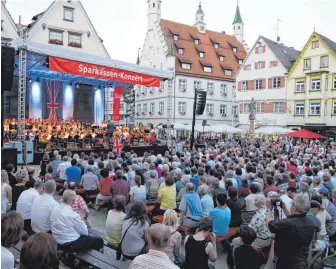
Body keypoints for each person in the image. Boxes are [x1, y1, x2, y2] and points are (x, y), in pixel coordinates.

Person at [266, 194, 317, 269]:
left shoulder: (288, 224)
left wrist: (269, 209)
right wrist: (284, 208)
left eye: (292, 204)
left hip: (287, 264)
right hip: (302, 262)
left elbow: (269, 224)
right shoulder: (310, 221)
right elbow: (294, 219)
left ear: (295, 209)